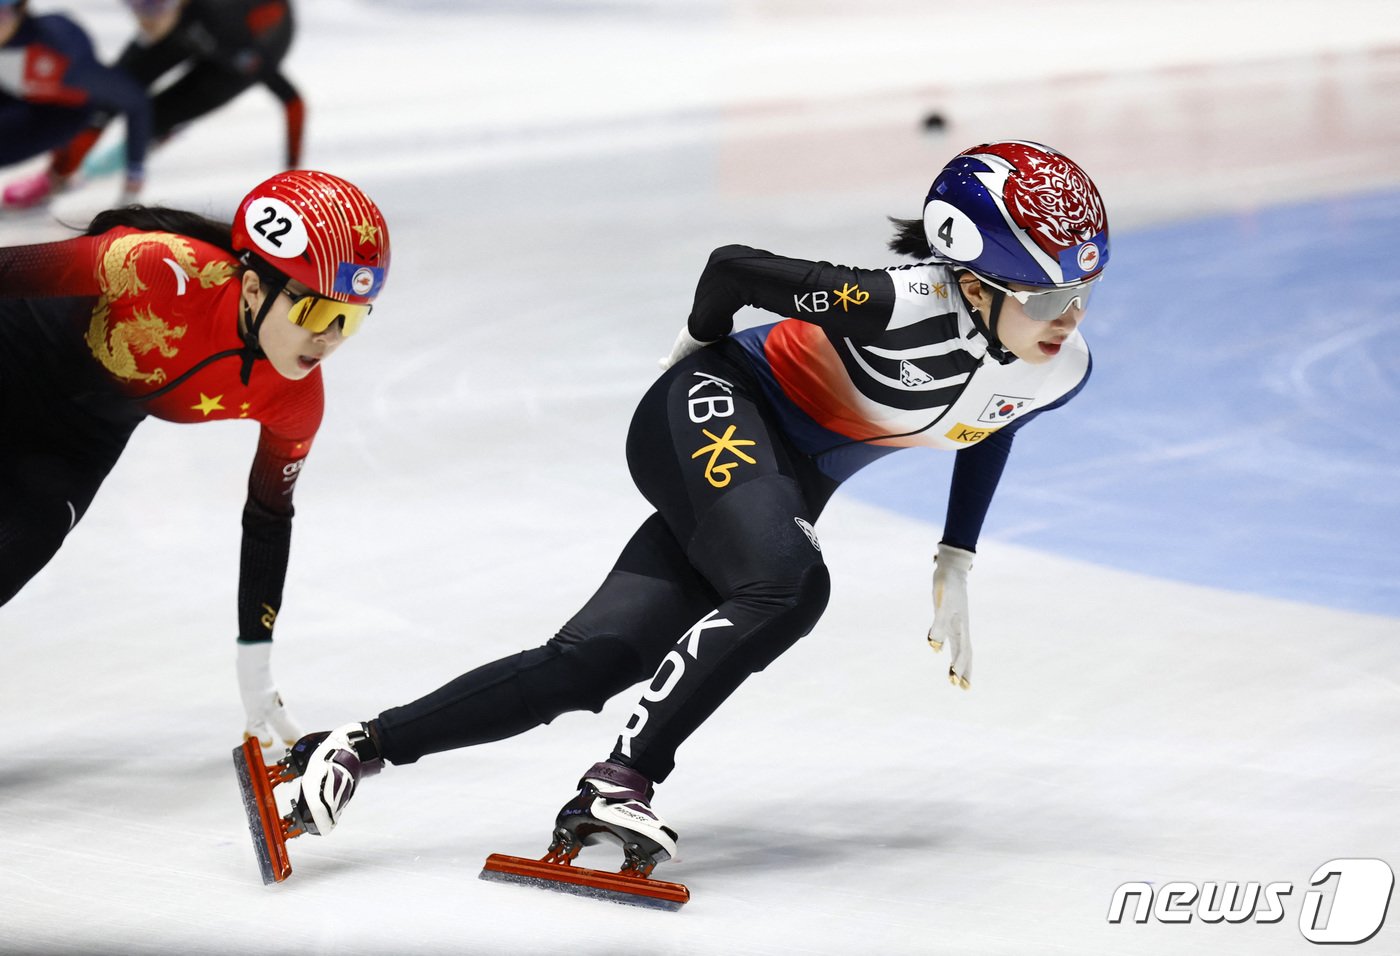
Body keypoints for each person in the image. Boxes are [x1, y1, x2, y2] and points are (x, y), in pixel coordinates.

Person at [279, 140, 1110, 875]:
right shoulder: (895, 304)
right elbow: (733, 269)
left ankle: (356, 746)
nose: (1066, 318)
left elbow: (999, 417)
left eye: (1082, 293)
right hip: (715, 405)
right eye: (1043, 299)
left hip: (777, 482)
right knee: (788, 583)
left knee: (591, 662)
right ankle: (620, 781)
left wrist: (956, 553)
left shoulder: (1058, 366)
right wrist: (690, 354)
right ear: (969, 281)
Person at [0, 169, 390, 752]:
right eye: (314, 312)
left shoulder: (295, 399)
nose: (329, 337)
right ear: (255, 288)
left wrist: (256, 676)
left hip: (76, 440)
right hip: (13, 355)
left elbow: (267, 519)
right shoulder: (158, 265)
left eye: (351, 318)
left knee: (15, 552)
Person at [2, 0, 303, 210]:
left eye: (154, 5)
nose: (145, 18)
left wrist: (292, 178)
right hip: (189, 28)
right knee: (107, 97)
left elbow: (292, 101)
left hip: (253, 47)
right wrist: (58, 174)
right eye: (134, 5)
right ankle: (57, 177)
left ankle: (160, 132)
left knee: (159, 115)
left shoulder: (226, 25)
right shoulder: (165, 18)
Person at [0, 0, 152, 205]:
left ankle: (57, 176)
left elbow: (135, 101)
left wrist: (135, 174)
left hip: (58, 113)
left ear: (22, 10)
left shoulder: (63, 55)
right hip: (19, 91)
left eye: (0, 16)